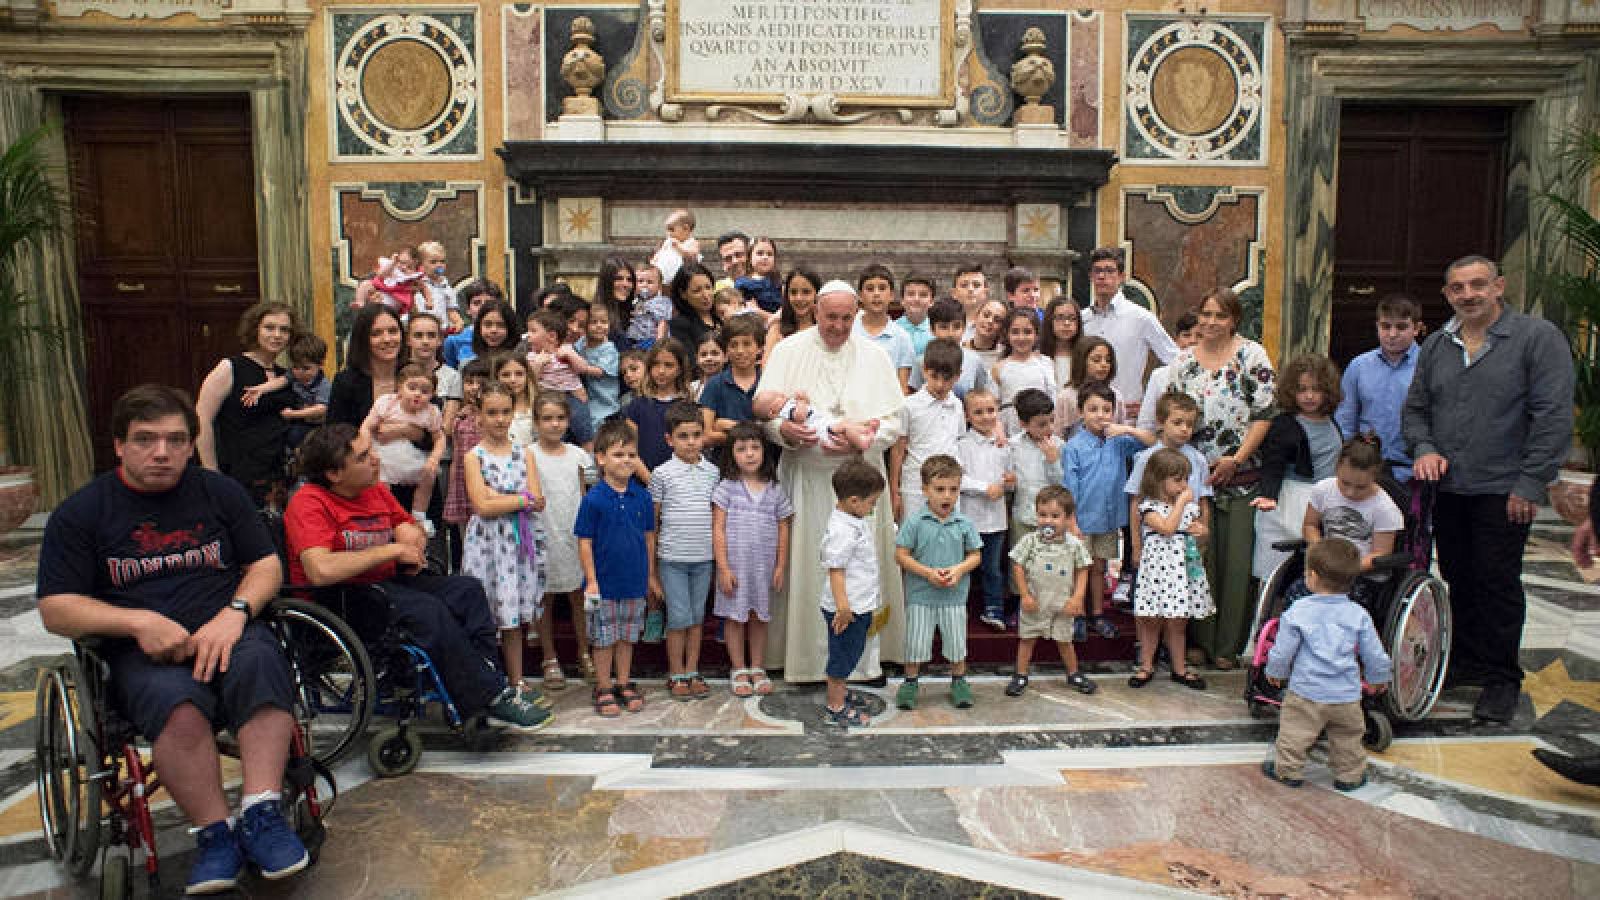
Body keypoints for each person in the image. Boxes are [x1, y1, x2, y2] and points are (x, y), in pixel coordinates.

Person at [38, 385, 311, 894]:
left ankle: (262, 814)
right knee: (175, 703)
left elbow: (265, 564)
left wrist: (234, 612)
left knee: (262, 667)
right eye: (145, 440)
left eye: (175, 440)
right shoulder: (82, 513)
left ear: (191, 445)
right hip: (143, 654)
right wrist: (138, 622)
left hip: (227, 631)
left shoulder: (219, 493)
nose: (161, 452)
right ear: (119, 445)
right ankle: (214, 834)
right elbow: (56, 608)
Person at [285, 424, 549, 732]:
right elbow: (321, 570)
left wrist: (410, 538)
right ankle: (486, 695)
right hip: (343, 599)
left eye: (371, 451)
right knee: (427, 610)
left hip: (386, 586)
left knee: (467, 590)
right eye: (362, 457)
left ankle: (487, 683)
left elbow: (410, 526)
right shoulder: (309, 503)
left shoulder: (375, 490)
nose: (374, 459)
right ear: (334, 474)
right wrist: (390, 551)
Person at [1403, 254, 1574, 723]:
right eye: (1458, 288)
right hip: (1450, 488)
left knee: (1497, 580)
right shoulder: (1438, 344)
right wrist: (1424, 447)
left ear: (1498, 287)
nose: (1468, 295)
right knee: (1459, 576)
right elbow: (1416, 409)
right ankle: (1467, 661)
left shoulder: (1536, 339)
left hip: (1505, 488)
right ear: (1447, 295)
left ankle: (1501, 677)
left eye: (1478, 285)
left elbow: (1554, 416)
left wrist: (1531, 481)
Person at [758, 281, 907, 683]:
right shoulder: (789, 350)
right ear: (816, 313)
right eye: (830, 318)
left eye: (846, 318)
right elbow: (766, 414)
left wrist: (868, 437)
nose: (838, 327)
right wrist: (786, 432)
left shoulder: (874, 356)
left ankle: (861, 662)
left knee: (859, 571)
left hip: (860, 484)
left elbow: (895, 421)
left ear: (856, 314)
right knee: (811, 567)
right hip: (807, 480)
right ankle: (805, 661)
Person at [1168, 287, 1277, 669]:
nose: (1211, 323)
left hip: (1240, 476)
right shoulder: (1182, 362)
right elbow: (1172, 414)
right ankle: (1200, 639)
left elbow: (1264, 414)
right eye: (1206, 314)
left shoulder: (1252, 356)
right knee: (1199, 559)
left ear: (1234, 320)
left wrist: (1237, 458)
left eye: (1220, 316)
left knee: (1235, 564)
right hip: (1194, 480)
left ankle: (1227, 646)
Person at [1262, 538, 1393, 791]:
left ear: (1311, 576)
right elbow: (1374, 653)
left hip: (1306, 692)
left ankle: (1288, 771)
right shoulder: (1358, 614)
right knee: (1347, 739)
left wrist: (1275, 672)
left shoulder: (1298, 610)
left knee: (1295, 734)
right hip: (1346, 694)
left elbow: (1283, 650)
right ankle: (1350, 777)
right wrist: (1378, 678)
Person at [460, 382, 549, 702]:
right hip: (487, 544)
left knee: (512, 616)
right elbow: (481, 506)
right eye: (492, 412)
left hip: (515, 544)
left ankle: (518, 680)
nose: (499, 419)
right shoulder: (474, 456)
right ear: (479, 416)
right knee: (486, 613)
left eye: (505, 412)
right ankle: (487, 680)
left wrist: (503, 498)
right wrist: (518, 499)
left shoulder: (524, 452)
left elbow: (538, 500)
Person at [1061, 382, 1156, 641]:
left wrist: (1125, 427)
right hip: (1082, 518)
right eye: (1093, 409)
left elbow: (1152, 442)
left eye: (1106, 409)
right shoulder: (1073, 446)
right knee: (1079, 567)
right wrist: (1071, 521)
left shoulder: (1119, 441)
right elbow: (1069, 486)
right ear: (1081, 412)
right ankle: (1077, 613)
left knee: (1099, 567)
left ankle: (1097, 613)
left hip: (1109, 519)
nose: (1100, 415)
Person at [575, 418, 657, 717]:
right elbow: (584, 542)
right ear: (601, 458)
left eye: (631, 455)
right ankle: (604, 685)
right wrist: (591, 581)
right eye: (618, 454)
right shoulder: (594, 499)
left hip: (633, 582)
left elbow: (649, 539)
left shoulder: (643, 497)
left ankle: (623, 682)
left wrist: (650, 576)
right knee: (604, 638)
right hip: (604, 584)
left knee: (626, 636)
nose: (626, 461)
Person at [894, 454, 983, 710]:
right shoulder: (914, 522)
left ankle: (959, 681)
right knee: (916, 643)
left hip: (954, 597)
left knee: (956, 643)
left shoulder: (964, 523)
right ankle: (910, 682)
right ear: (925, 490)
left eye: (953, 490)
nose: (947, 496)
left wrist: (959, 569)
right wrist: (927, 573)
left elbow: (975, 555)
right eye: (940, 489)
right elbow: (900, 555)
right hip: (921, 595)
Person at [712, 422, 792, 698]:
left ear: (764, 451)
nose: (749, 454)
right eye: (742, 449)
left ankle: (757, 667)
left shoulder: (774, 489)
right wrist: (723, 568)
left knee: (759, 617)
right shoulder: (727, 488)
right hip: (735, 567)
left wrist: (780, 566)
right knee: (735, 618)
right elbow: (718, 528)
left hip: (764, 569)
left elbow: (784, 526)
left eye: (755, 448)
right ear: (731, 454)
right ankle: (738, 668)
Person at [195, 301, 298, 508]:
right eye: (269, 327)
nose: (277, 335)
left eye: (284, 329)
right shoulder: (230, 367)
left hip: (279, 479)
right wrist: (212, 474)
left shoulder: (285, 375)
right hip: (238, 477)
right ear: (255, 330)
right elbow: (201, 419)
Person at [649, 401, 721, 700]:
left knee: (695, 618)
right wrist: (651, 572)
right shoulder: (661, 474)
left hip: (703, 558)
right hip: (672, 559)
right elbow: (652, 524)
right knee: (677, 618)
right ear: (670, 439)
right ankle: (675, 672)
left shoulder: (713, 472)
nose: (691, 442)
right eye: (683, 436)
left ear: (704, 436)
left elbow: (717, 519)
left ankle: (692, 670)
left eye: (696, 435)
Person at [1250, 354, 1344, 579]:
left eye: (1316, 389)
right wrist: (1269, 495)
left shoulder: (1331, 421)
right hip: (1291, 504)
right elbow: (1273, 463)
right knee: (1279, 575)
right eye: (1302, 390)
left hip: (1325, 502)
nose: (1309, 396)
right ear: (1291, 392)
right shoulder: (1285, 425)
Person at [1127, 448, 1214, 690]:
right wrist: (1183, 503)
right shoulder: (1148, 507)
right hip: (1157, 571)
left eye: (1186, 479)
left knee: (1178, 623)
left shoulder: (1188, 507)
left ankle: (1179, 668)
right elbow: (1166, 528)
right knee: (1151, 622)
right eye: (1178, 480)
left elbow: (1196, 533)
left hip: (1181, 571)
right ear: (1158, 479)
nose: (1184, 485)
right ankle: (1146, 666)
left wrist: (1203, 532)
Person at [529, 392, 596, 689]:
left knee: (578, 595)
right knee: (545, 596)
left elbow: (584, 493)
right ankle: (550, 657)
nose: (554, 424)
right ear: (536, 422)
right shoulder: (528, 454)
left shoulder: (578, 455)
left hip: (573, 533)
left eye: (560, 418)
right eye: (547, 418)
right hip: (542, 532)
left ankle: (585, 652)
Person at [1006, 485, 1096, 697]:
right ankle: (1020, 674)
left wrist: (1078, 598)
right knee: (1027, 639)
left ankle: (1073, 673)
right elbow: (1017, 565)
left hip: (1063, 604)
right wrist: (1025, 595)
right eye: (1043, 515)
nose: (1048, 521)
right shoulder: (1029, 541)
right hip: (1035, 602)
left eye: (1055, 516)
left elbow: (1083, 570)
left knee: (1065, 640)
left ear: (1068, 518)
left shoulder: (1074, 545)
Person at [818, 460, 886, 728]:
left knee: (853, 651)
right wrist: (843, 607)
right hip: (846, 609)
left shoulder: (852, 518)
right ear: (854, 501)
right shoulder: (842, 530)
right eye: (872, 503)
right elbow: (836, 571)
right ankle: (835, 705)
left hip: (858, 604)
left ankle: (841, 693)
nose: (873, 508)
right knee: (842, 656)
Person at [1080, 247, 1178, 421]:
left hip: (1126, 415)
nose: (1102, 276)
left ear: (1121, 276)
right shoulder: (1081, 319)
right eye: (1097, 271)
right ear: (1091, 276)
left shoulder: (1141, 318)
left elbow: (1176, 361)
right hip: (1087, 415)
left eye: (1109, 271)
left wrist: (1153, 403)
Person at [1125, 392, 1212, 584]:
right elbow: (1135, 504)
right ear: (1161, 422)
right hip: (1154, 545)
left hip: (1186, 545)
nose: (1184, 429)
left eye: (1189, 424)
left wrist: (1203, 533)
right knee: (1151, 602)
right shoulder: (1146, 459)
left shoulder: (1198, 459)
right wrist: (1136, 547)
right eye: (1178, 422)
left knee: (1183, 600)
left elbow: (1203, 501)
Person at [1336, 294, 1422, 482]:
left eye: (1401, 327)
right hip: (1367, 470)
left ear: (1416, 328)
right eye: (1385, 326)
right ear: (1377, 326)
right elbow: (1345, 420)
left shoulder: (1429, 366)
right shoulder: (1358, 366)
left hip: (1414, 472)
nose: (1392, 334)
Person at [360, 364, 446, 536]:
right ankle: (385, 516)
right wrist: (368, 450)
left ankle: (419, 515)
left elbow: (440, 437)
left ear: (432, 394)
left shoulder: (431, 412)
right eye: (412, 387)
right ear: (399, 388)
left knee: (428, 476)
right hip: (385, 456)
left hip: (414, 459)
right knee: (380, 484)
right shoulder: (387, 403)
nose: (417, 394)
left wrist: (435, 458)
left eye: (425, 391)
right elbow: (366, 427)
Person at [955, 389, 1014, 631]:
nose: (986, 416)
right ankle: (960, 607)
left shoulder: (1004, 445)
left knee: (992, 567)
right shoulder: (962, 445)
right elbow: (958, 478)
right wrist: (984, 488)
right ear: (967, 416)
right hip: (970, 518)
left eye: (990, 410)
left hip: (996, 520)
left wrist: (1009, 482)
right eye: (978, 412)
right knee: (966, 565)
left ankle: (993, 608)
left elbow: (1010, 475)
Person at [890, 338, 966, 523]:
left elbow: (959, 442)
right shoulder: (909, 405)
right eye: (934, 377)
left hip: (949, 489)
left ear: (958, 375)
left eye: (947, 379)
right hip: (915, 488)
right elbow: (898, 449)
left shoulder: (957, 405)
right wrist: (894, 490)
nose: (940, 385)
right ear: (924, 370)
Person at [444, 357, 492, 572]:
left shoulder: (494, 417)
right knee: (467, 545)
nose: (474, 388)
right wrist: (454, 489)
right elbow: (456, 456)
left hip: (488, 486)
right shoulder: (459, 419)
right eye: (469, 382)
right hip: (463, 487)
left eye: (481, 382)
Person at [525, 307, 595, 447]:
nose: (528, 335)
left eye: (533, 331)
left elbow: (582, 368)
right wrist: (538, 365)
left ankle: (589, 456)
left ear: (551, 336)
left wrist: (570, 356)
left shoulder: (567, 350)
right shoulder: (532, 357)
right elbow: (530, 380)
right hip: (548, 399)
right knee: (553, 431)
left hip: (573, 396)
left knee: (583, 428)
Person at [327, 305, 404, 429]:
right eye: (376, 333)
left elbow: (432, 432)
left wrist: (411, 432)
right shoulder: (345, 382)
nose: (387, 339)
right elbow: (335, 435)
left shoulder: (415, 374)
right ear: (362, 339)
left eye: (393, 331)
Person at [624, 339, 692, 476]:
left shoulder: (688, 406)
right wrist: (650, 480)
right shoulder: (637, 406)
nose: (661, 371)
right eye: (656, 364)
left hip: (681, 482)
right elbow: (629, 450)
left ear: (679, 369)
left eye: (669, 365)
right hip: (644, 480)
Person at [699, 315, 764, 451]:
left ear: (759, 348)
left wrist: (725, 426)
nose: (740, 351)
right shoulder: (715, 384)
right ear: (726, 351)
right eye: (733, 345)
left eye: (747, 344)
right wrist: (751, 432)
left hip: (766, 463)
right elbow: (706, 436)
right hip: (725, 465)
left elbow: (772, 432)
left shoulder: (768, 381)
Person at [1010, 388, 1065, 549]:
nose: (1049, 428)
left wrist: (1053, 460)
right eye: (1042, 424)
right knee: (1020, 563)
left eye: (1052, 421)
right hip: (1023, 517)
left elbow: (1062, 486)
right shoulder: (1013, 446)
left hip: (1052, 519)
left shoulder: (1060, 446)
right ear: (1023, 424)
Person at [909, 298, 993, 399]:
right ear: (932, 329)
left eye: (956, 326)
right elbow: (914, 398)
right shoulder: (921, 361)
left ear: (964, 327)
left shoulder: (974, 360)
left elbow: (981, 396)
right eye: (943, 327)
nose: (951, 333)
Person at [751, 387, 880, 453]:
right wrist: (801, 402)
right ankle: (862, 441)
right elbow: (800, 415)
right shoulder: (785, 412)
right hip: (821, 430)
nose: (782, 394)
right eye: (777, 396)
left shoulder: (787, 406)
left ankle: (864, 429)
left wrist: (804, 400)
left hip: (823, 424)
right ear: (772, 412)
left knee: (847, 424)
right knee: (845, 426)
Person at [992, 306, 1056, 434]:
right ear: (1007, 334)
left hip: (1040, 426)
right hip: (1009, 428)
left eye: (1027, 332)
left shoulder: (1045, 363)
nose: (1021, 338)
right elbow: (994, 405)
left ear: (1036, 335)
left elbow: (1053, 398)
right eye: (1015, 332)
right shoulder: (999, 367)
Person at [853, 264, 917, 393]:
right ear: (860, 295)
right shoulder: (849, 330)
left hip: (888, 408)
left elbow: (903, 387)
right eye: (870, 289)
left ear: (892, 295)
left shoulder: (901, 337)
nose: (876, 294)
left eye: (882, 288)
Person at [1135, 312, 1199, 431]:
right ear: (1176, 340)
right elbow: (1146, 424)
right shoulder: (1160, 376)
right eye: (1186, 335)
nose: (1192, 341)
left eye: (1199, 336)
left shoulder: (1217, 373)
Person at [1056, 336, 1126, 438]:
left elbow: (1121, 432)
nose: (1104, 364)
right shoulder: (1066, 397)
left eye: (1108, 360)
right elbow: (1059, 435)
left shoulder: (1116, 394)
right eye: (1096, 360)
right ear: (1081, 362)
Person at [576, 302, 622, 429]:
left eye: (604, 322)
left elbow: (600, 371)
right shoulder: (582, 343)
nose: (599, 326)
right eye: (594, 322)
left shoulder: (609, 349)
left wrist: (581, 367)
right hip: (588, 400)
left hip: (605, 404)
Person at [283, 332, 329, 453]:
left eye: (306, 368)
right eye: (296, 367)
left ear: (320, 365)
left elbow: (321, 408)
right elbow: (280, 381)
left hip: (313, 425)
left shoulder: (323, 384)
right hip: (293, 421)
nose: (299, 372)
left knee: (296, 436)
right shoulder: (293, 375)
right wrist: (262, 388)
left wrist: (293, 414)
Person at [442, 279, 504, 368]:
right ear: (468, 309)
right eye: (476, 303)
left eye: (489, 302)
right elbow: (451, 375)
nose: (482, 307)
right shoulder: (454, 340)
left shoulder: (509, 336)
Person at [763, 268, 822, 362]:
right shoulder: (776, 330)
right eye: (793, 292)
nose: (799, 298)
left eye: (806, 292)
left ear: (817, 294)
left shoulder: (825, 330)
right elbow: (767, 369)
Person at [668, 263, 722, 354]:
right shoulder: (680, 324)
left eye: (708, 287)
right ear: (683, 294)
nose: (706, 295)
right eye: (697, 291)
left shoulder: (721, 315)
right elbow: (690, 361)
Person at [491, 353, 536, 453]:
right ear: (496, 377)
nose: (513, 380)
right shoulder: (489, 409)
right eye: (506, 375)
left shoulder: (538, 407)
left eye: (519, 374)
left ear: (528, 376)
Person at [416, 241, 464, 332]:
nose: (439, 265)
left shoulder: (446, 286)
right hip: (421, 329)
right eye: (433, 262)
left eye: (442, 261)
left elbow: (451, 309)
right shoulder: (418, 283)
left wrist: (458, 321)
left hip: (441, 330)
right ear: (421, 265)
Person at [592, 256, 637, 348]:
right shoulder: (593, 315)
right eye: (618, 278)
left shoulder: (636, 313)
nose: (625, 284)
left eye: (629, 280)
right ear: (606, 281)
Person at [626, 262, 672, 350]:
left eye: (650, 282)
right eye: (640, 281)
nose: (644, 285)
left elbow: (662, 323)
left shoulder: (661, 302)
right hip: (633, 338)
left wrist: (659, 343)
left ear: (659, 286)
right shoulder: (635, 300)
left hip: (651, 339)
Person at [1041, 295, 1083, 389]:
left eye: (1072, 318)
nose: (1067, 323)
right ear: (1049, 321)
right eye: (1060, 317)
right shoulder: (1038, 354)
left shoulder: (1085, 354)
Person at [651, 208, 701, 286]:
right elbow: (660, 254)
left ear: (686, 228)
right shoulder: (668, 242)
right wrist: (654, 261)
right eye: (667, 230)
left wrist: (679, 247)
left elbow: (691, 256)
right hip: (662, 277)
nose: (668, 233)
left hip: (681, 278)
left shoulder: (692, 243)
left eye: (671, 229)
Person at [735, 235, 783, 314]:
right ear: (749, 258)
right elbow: (748, 310)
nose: (765, 257)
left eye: (769, 254)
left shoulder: (778, 282)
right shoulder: (742, 284)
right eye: (760, 253)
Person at [896, 273, 936, 358]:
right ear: (902, 300)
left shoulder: (937, 332)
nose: (916, 299)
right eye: (911, 294)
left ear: (932, 301)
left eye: (923, 295)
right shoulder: (892, 329)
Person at [965, 297, 1009, 375]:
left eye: (997, 320)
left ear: (1002, 329)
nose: (990, 321)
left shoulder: (1005, 356)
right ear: (976, 317)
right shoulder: (959, 349)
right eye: (986, 315)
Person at [690, 331, 727, 401]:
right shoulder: (691, 390)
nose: (709, 358)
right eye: (703, 354)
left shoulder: (734, 388)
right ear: (696, 359)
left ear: (726, 357)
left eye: (715, 353)